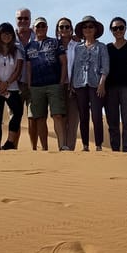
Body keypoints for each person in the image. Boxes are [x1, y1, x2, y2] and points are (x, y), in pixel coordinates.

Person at [25, 17, 68, 151]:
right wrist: (29, 85)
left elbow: (64, 63)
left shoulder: (55, 42)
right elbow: (28, 67)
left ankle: (62, 145)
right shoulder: (29, 46)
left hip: (54, 84)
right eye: (38, 26)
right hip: (36, 86)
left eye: (43, 26)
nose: (41, 28)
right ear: (34, 28)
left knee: (57, 115)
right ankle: (44, 148)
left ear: (47, 28)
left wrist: (61, 82)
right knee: (39, 118)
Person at [72, 15, 109, 151]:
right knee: (83, 116)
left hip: (96, 84)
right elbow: (74, 67)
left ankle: (98, 145)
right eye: (85, 27)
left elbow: (105, 67)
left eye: (90, 26)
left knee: (97, 115)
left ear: (95, 29)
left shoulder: (101, 47)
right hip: (80, 84)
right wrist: (72, 85)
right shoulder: (78, 48)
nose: (88, 29)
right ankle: (85, 145)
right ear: (82, 30)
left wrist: (102, 83)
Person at [0, 22, 24, 150]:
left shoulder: (16, 51)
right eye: (4, 33)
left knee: (18, 112)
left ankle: (10, 141)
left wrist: (7, 83)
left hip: (11, 87)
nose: (6, 36)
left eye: (9, 34)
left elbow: (18, 70)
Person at [105, 16, 127, 152]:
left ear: (125, 29)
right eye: (114, 28)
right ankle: (115, 150)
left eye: (121, 27)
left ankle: (126, 149)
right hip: (110, 88)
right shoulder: (107, 48)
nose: (118, 30)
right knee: (112, 122)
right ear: (111, 30)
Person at [56, 16, 79, 151]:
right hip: (58, 85)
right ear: (58, 30)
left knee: (73, 119)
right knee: (60, 117)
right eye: (61, 27)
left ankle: (70, 148)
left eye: (67, 27)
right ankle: (62, 146)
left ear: (71, 29)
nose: (64, 29)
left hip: (74, 86)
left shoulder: (78, 45)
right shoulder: (53, 45)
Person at [14, 8, 35, 150]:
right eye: (20, 18)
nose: (23, 21)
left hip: (34, 83)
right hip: (15, 83)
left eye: (26, 18)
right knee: (14, 117)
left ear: (30, 19)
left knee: (33, 118)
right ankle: (13, 148)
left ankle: (34, 149)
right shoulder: (8, 37)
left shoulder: (38, 36)